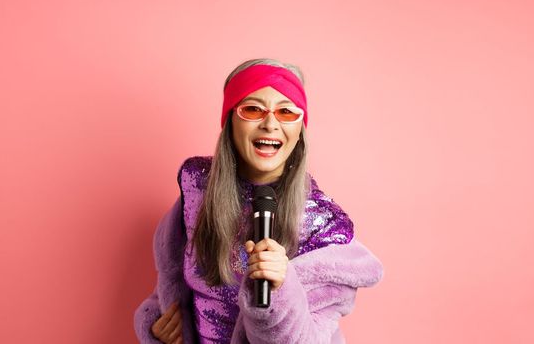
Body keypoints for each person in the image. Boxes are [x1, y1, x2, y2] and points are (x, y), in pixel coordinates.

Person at [133, 58, 383, 343]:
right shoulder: (198, 192)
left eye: (286, 113)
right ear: (230, 121)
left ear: (300, 129)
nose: (270, 124)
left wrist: (280, 290)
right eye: (253, 109)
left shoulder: (323, 229)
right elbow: (171, 284)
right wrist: (158, 327)